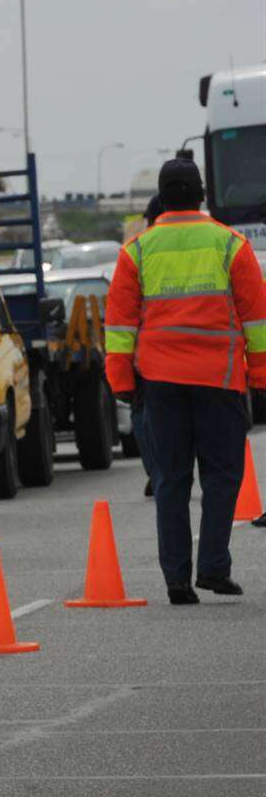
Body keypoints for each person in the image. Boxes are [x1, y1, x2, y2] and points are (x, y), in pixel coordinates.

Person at [106, 159, 266, 605]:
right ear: (200, 195)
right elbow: (257, 319)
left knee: (170, 479)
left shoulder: (136, 251)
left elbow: (119, 327)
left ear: (161, 197)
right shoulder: (229, 244)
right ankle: (213, 567)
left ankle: (176, 580)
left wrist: (122, 381)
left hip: (159, 384)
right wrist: (261, 375)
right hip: (220, 380)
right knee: (222, 476)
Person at [133, 193, 164, 499]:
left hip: (151, 356)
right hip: (206, 360)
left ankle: (158, 471)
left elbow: (123, 316)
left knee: (141, 414)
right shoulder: (216, 240)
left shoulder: (140, 251)